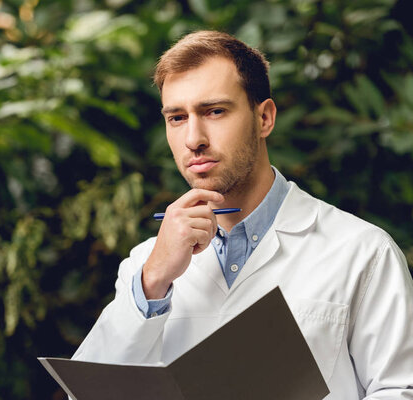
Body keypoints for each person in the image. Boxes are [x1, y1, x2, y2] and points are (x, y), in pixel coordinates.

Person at [72, 30, 413, 398]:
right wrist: (153, 281)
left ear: (264, 118)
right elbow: (88, 392)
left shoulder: (362, 253)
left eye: (214, 111)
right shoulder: (145, 265)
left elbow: (400, 390)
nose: (193, 139)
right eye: (176, 118)